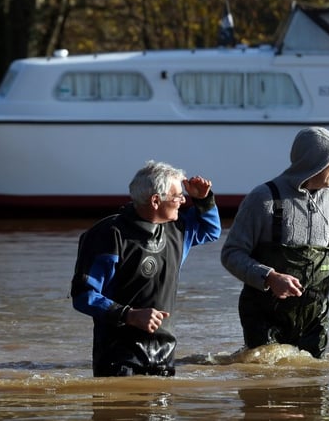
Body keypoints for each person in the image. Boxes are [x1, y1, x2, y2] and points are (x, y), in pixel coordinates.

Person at [221, 126, 329, 358]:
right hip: (264, 317)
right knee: (265, 383)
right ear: (317, 162)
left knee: (314, 386)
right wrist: (270, 277)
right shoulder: (263, 199)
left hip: (314, 320)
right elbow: (231, 254)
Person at [71, 160, 221, 377]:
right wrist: (129, 315)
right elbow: (83, 295)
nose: (182, 200)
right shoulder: (109, 234)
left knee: (162, 410)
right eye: (178, 195)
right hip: (119, 358)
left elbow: (210, 230)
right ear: (155, 200)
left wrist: (204, 200)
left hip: (164, 354)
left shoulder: (178, 230)